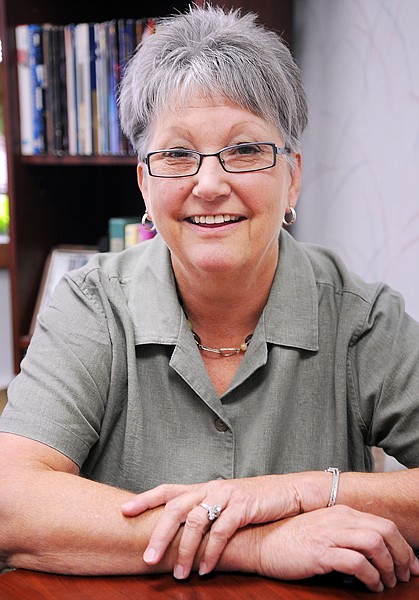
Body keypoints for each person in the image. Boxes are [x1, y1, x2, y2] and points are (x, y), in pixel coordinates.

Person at [0, 4, 418, 592]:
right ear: (144, 182)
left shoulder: (362, 318)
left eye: (245, 151)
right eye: (176, 154)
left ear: (292, 177)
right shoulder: (92, 305)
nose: (210, 183)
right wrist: (257, 540)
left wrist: (298, 491)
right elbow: (10, 503)